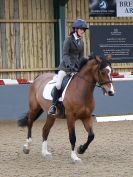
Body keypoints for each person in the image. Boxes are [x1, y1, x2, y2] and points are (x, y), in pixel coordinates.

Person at [48, 19, 89, 115]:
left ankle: (84, 106)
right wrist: (69, 65)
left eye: (84, 30)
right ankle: (53, 106)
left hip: (75, 69)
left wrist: (81, 66)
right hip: (65, 68)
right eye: (81, 29)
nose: (83, 31)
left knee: (82, 84)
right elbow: (65, 54)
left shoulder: (81, 42)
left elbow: (81, 57)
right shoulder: (69, 39)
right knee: (58, 85)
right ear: (76, 29)